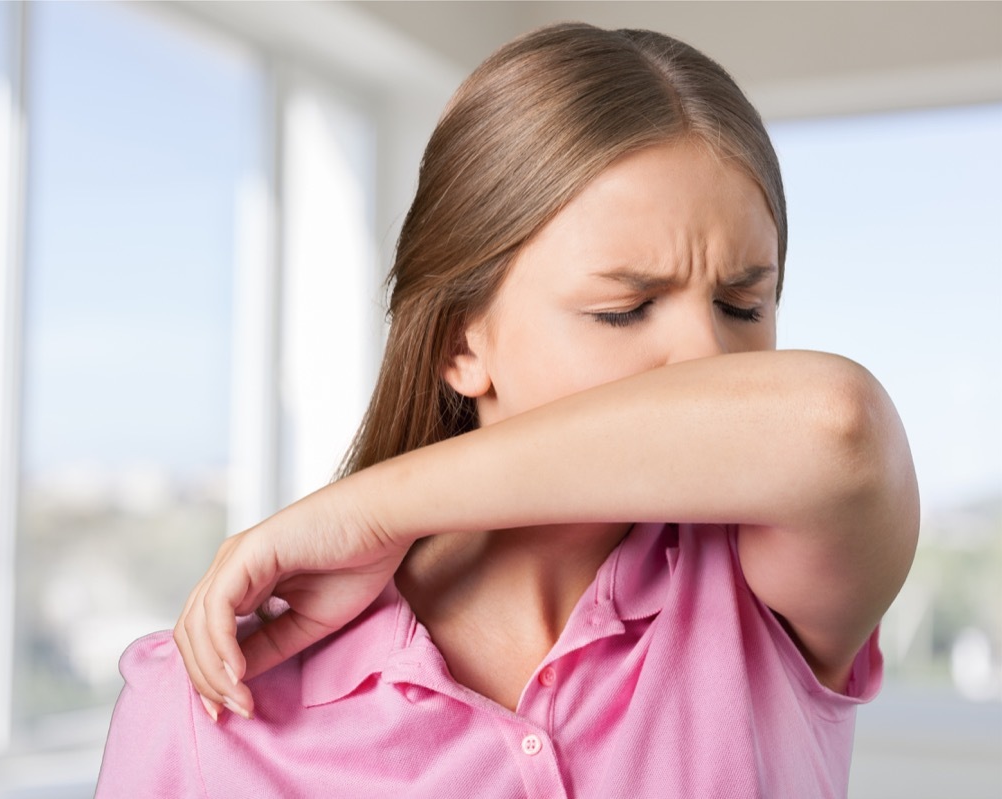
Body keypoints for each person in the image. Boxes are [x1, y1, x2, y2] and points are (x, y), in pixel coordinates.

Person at [97, 22, 918, 798]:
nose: (708, 363)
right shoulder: (203, 705)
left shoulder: (764, 590)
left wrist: (372, 507)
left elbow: (837, 426)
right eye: (625, 309)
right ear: (461, 344)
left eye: (743, 306)